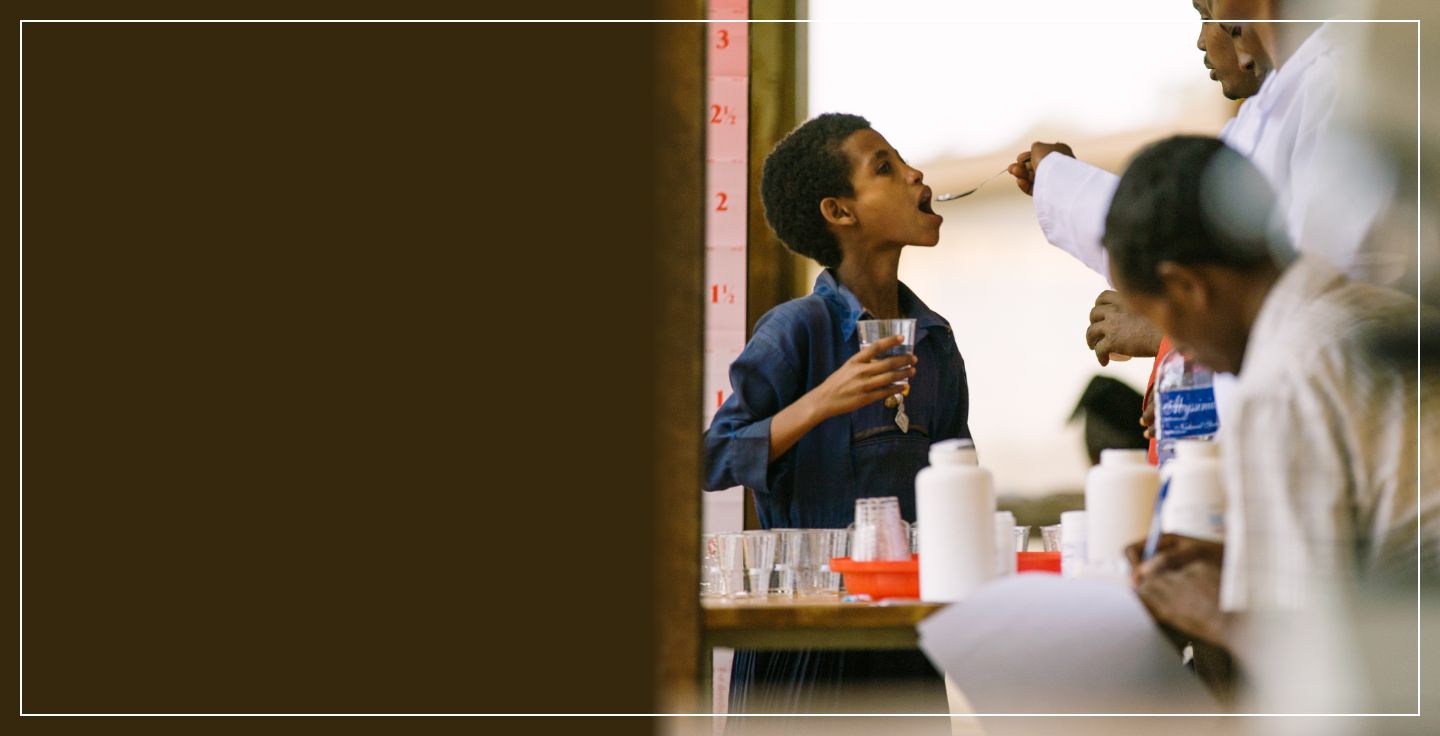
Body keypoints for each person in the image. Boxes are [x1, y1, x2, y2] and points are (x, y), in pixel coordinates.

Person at [1102, 135, 1435, 700]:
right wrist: (1237, 560)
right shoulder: (1382, 315)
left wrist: (1213, 613)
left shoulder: (1282, 381)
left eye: (1163, 320)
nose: (1174, 350)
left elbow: (1322, 675)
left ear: (1186, 285)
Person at [703, 113, 970, 719]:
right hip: (806, 642)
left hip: (907, 637)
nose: (915, 174)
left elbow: (959, 470)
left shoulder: (934, 341)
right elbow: (713, 456)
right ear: (839, 212)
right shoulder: (797, 329)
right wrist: (823, 399)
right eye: (886, 168)